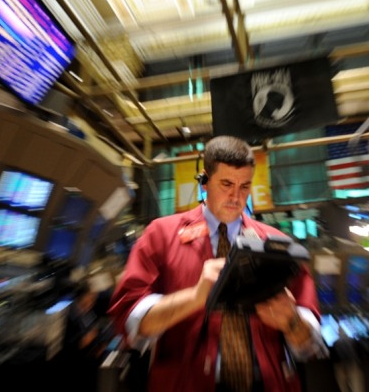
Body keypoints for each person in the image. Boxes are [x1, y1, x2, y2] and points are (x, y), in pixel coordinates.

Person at [108, 135, 327, 392]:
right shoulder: (161, 235)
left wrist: (291, 322)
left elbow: (310, 346)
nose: (236, 197)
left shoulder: (277, 244)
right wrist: (195, 297)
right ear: (205, 181)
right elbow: (129, 323)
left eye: (245, 186)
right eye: (226, 184)